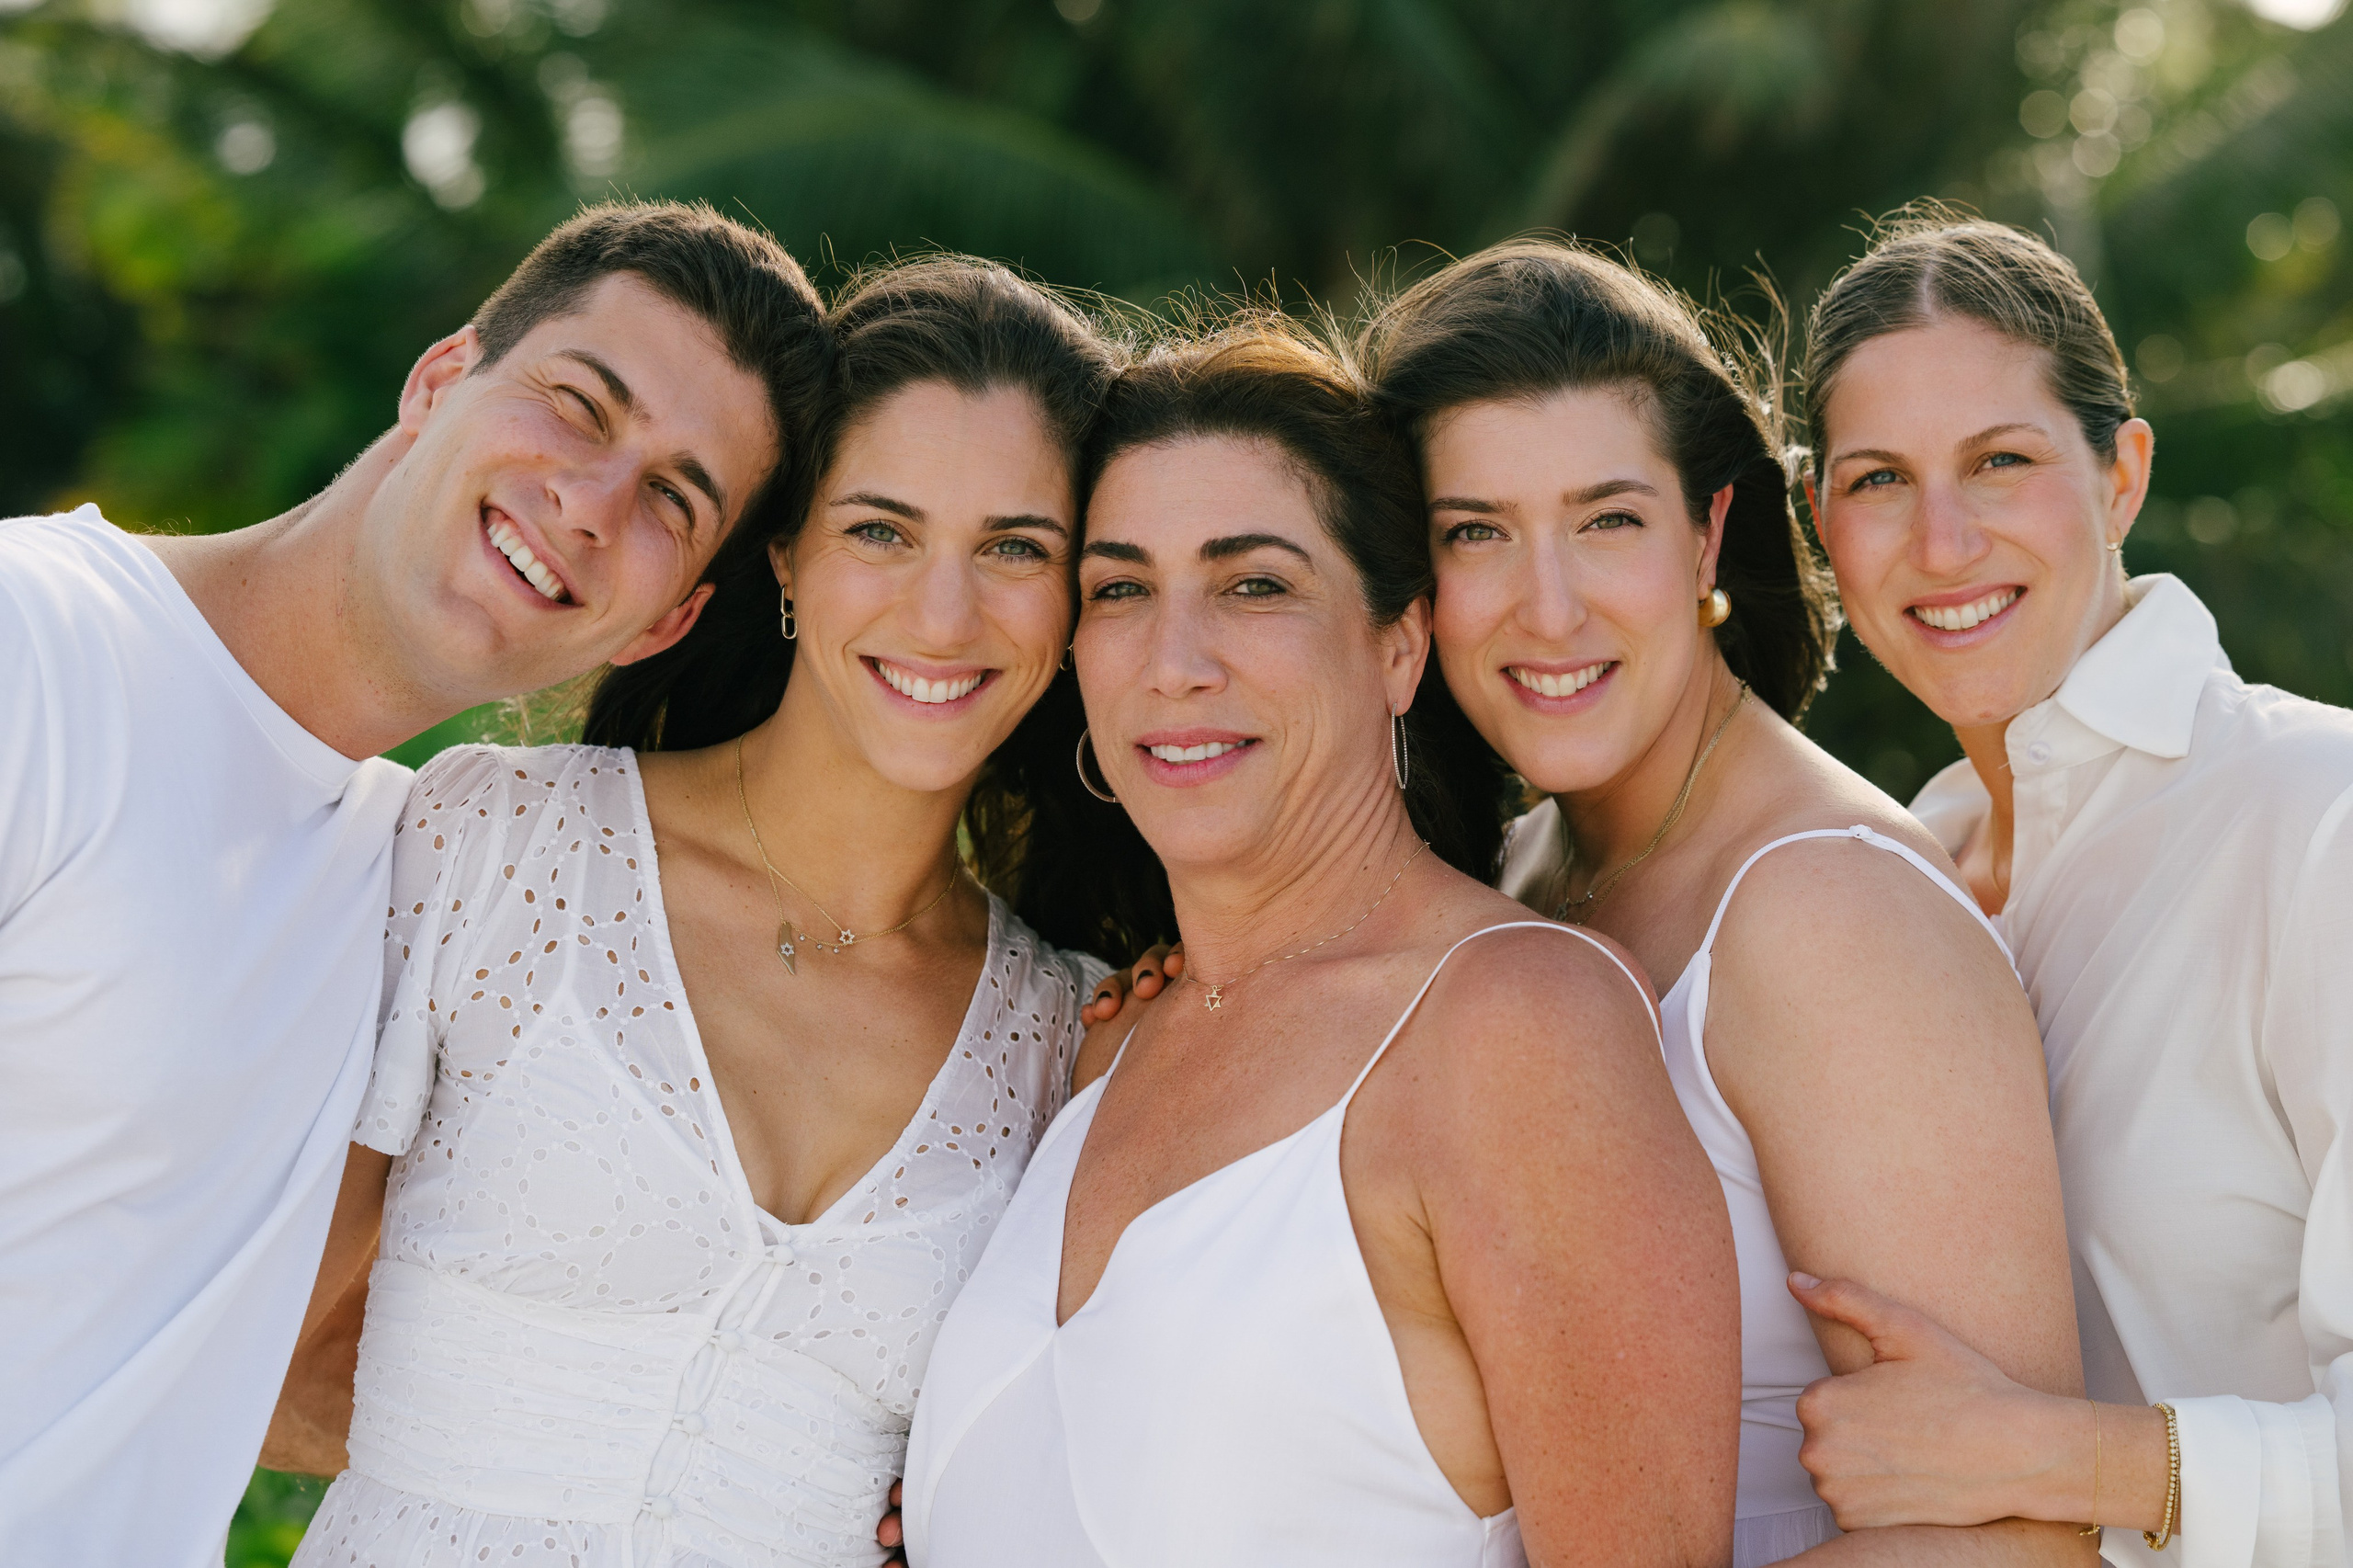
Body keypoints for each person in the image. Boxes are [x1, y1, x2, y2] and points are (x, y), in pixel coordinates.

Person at [267, 256, 1155, 1568]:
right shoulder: (496, 844)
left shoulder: (1072, 1037)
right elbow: (254, 1355)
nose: (943, 610)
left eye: (1016, 548)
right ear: (785, 553)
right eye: (881, 530)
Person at [0, 199, 827, 1565]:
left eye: (672, 501)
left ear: (668, 620)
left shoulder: (426, 885)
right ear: (440, 378)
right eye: (579, 405)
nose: (591, 503)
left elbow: (327, 1379)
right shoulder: (41, 649)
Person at [904, 316, 1743, 1567]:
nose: (1175, 662)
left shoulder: (1517, 1031)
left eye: (1255, 585)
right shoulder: (1108, 1041)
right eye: (1121, 589)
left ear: (1398, 646)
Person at [1346, 238, 2091, 1567]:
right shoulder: (1520, 870)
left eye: (1608, 521)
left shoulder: (1831, 915)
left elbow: (2018, 1546)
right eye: (1477, 533)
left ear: (1707, 536)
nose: (1549, 608)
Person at [1785, 212, 2353, 1568]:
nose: (1942, 541)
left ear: (2121, 476)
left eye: (2002, 461)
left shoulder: (2316, 816)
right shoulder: (1898, 869)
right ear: (1820, 525)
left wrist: (2052, 1457)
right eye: (1879, 480)